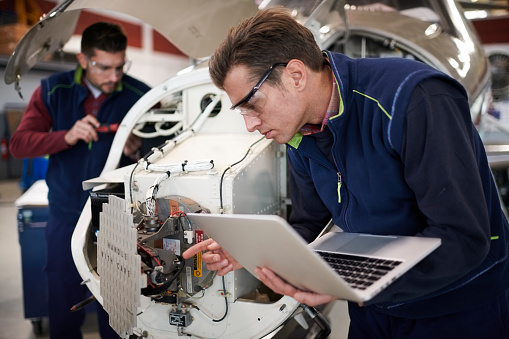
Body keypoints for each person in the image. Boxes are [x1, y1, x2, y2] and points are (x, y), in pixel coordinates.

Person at [182, 7, 509, 339]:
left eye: (253, 104)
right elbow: (309, 223)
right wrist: (249, 249)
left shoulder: (413, 99)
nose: (250, 125)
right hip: (375, 308)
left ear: (295, 75)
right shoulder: (301, 132)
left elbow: (463, 239)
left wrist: (347, 282)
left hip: (457, 308)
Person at [10, 22, 151, 339]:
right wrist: (66, 136)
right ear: (84, 60)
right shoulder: (53, 90)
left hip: (117, 214)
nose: (114, 77)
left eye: (119, 67)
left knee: (116, 303)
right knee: (62, 294)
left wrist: (140, 147)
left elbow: (167, 143)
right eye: (104, 67)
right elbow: (20, 144)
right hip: (66, 213)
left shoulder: (139, 94)